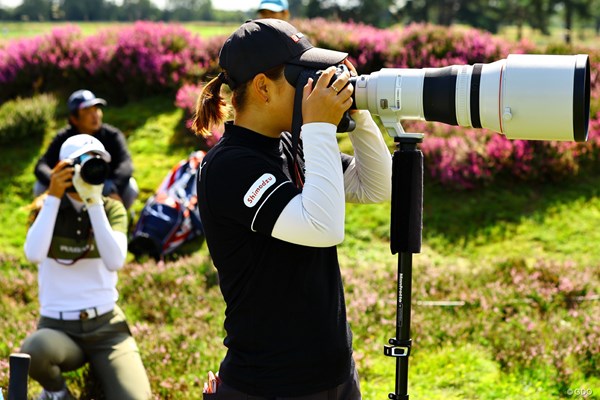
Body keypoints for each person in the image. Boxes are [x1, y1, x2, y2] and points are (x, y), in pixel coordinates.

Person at [193, 19, 392, 399]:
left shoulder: (292, 141)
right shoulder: (229, 166)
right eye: (304, 75)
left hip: (332, 372)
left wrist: (358, 112)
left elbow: (376, 186)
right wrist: (319, 127)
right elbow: (323, 227)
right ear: (263, 87)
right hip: (271, 383)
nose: (316, 85)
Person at [21, 134, 152, 400]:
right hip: (58, 329)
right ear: (62, 169)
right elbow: (33, 254)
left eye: (96, 163)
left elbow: (115, 261)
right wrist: (54, 197)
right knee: (34, 349)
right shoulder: (46, 209)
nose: (89, 170)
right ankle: (57, 394)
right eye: (79, 165)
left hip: (107, 328)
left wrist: (93, 202)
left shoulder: (111, 208)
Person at [34, 89, 139, 210]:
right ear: (74, 118)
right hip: (71, 186)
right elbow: (41, 165)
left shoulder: (112, 135)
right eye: (87, 111)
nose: (94, 115)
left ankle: (120, 219)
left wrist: (113, 189)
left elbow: (126, 164)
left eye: (96, 110)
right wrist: (56, 180)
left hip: (102, 185)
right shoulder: (63, 137)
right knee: (39, 187)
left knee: (131, 187)